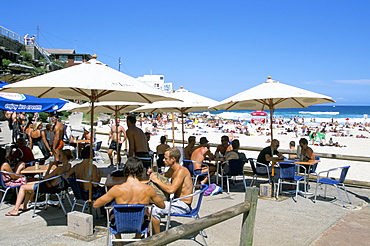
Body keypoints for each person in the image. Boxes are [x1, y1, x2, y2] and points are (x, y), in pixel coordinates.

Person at [93, 157, 165, 238]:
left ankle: (119, 243)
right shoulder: (148, 189)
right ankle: (137, 238)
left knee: (112, 209)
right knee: (146, 211)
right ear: (141, 171)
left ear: (125, 170)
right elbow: (162, 206)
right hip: (140, 224)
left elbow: (96, 205)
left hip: (119, 224)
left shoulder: (116, 189)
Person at [5, 149, 73, 216]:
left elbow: (45, 177)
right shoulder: (69, 166)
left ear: (64, 157)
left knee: (23, 187)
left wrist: (50, 167)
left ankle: (15, 209)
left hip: (49, 187)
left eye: (60, 156)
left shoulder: (59, 168)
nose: (58, 157)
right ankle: (24, 205)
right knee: (28, 184)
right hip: (57, 187)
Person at [149, 148, 193, 234]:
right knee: (149, 205)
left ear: (173, 159)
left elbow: (171, 189)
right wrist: (152, 173)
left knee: (154, 210)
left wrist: (156, 181)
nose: (163, 160)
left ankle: (158, 238)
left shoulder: (181, 171)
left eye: (165, 158)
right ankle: (150, 231)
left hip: (183, 205)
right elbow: (163, 177)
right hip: (175, 201)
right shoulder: (172, 169)